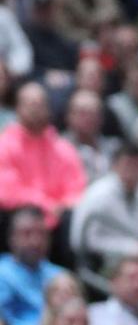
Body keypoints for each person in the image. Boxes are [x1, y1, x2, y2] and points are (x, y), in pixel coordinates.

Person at [0, 83, 86, 227]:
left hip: (60, 217)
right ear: (18, 108)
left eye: (41, 104)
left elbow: (76, 188)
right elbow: (7, 192)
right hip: (19, 216)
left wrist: (63, 206)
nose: (36, 109)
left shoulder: (63, 147)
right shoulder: (4, 145)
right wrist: (46, 205)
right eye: (31, 104)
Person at [68, 144, 138, 263]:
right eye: (128, 165)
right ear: (115, 166)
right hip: (102, 261)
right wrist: (128, 248)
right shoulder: (98, 196)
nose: (132, 172)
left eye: (137, 166)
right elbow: (80, 241)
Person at [0, 205, 67, 325]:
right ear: (11, 238)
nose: (35, 241)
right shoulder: (2, 273)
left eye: (41, 234)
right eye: (27, 233)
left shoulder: (60, 275)